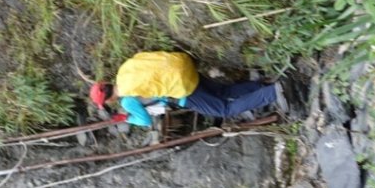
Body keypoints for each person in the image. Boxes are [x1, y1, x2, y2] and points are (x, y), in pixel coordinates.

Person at [89, 51, 284, 127]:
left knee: (225, 109)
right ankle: (263, 86)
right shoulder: (124, 71)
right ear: (106, 83)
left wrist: (125, 117)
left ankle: (273, 92)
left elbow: (146, 120)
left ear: (108, 100)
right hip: (185, 70)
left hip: (183, 92)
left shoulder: (127, 100)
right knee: (224, 91)